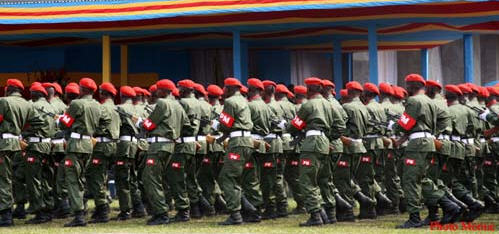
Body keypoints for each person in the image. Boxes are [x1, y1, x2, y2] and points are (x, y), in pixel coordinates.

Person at [392, 74, 459, 229]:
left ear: (412, 86)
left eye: (407, 85)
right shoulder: (430, 102)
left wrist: (394, 126)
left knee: (410, 180)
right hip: (428, 142)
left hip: (417, 144)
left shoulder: (414, 100)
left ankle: (414, 217)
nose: (406, 88)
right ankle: (449, 206)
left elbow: (406, 124)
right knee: (422, 179)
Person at [287, 77, 346, 226]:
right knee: (325, 179)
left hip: (312, 144)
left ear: (309, 90)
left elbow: (294, 126)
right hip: (325, 144)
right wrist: (328, 138)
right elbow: (340, 126)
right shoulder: (330, 104)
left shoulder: (308, 105)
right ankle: (330, 214)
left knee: (307, 180)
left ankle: (315, 216)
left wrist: (290, 127)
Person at [57, 78, 103, 227]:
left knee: (72, 179)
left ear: (82, 89)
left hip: (76, 144)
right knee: (80, 178)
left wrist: (59, 120)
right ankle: (81, 210)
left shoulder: (77, 103)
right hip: (88, 144)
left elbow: (65, 123)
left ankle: (78, 215)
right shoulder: (97, 105)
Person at [215, 77, 259, 225]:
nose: (223, 91)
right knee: (235, 177)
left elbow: (226, 125)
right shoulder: (244, 101)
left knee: (227, 177)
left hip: (237, 142)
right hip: (246, 141)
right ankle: (250, 210)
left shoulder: (230, 102)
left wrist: (217, 125)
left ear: (228, 88)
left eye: (225, 88)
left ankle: (236, 215)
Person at [86, 83, 120, 224]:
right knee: (103, 176)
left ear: (102, 93)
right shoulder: (116, 108)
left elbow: (95, 124)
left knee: (96, 177)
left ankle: (102, 209)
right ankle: (102, 206)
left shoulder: (103, 108)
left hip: (101, 145)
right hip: (113, 145)